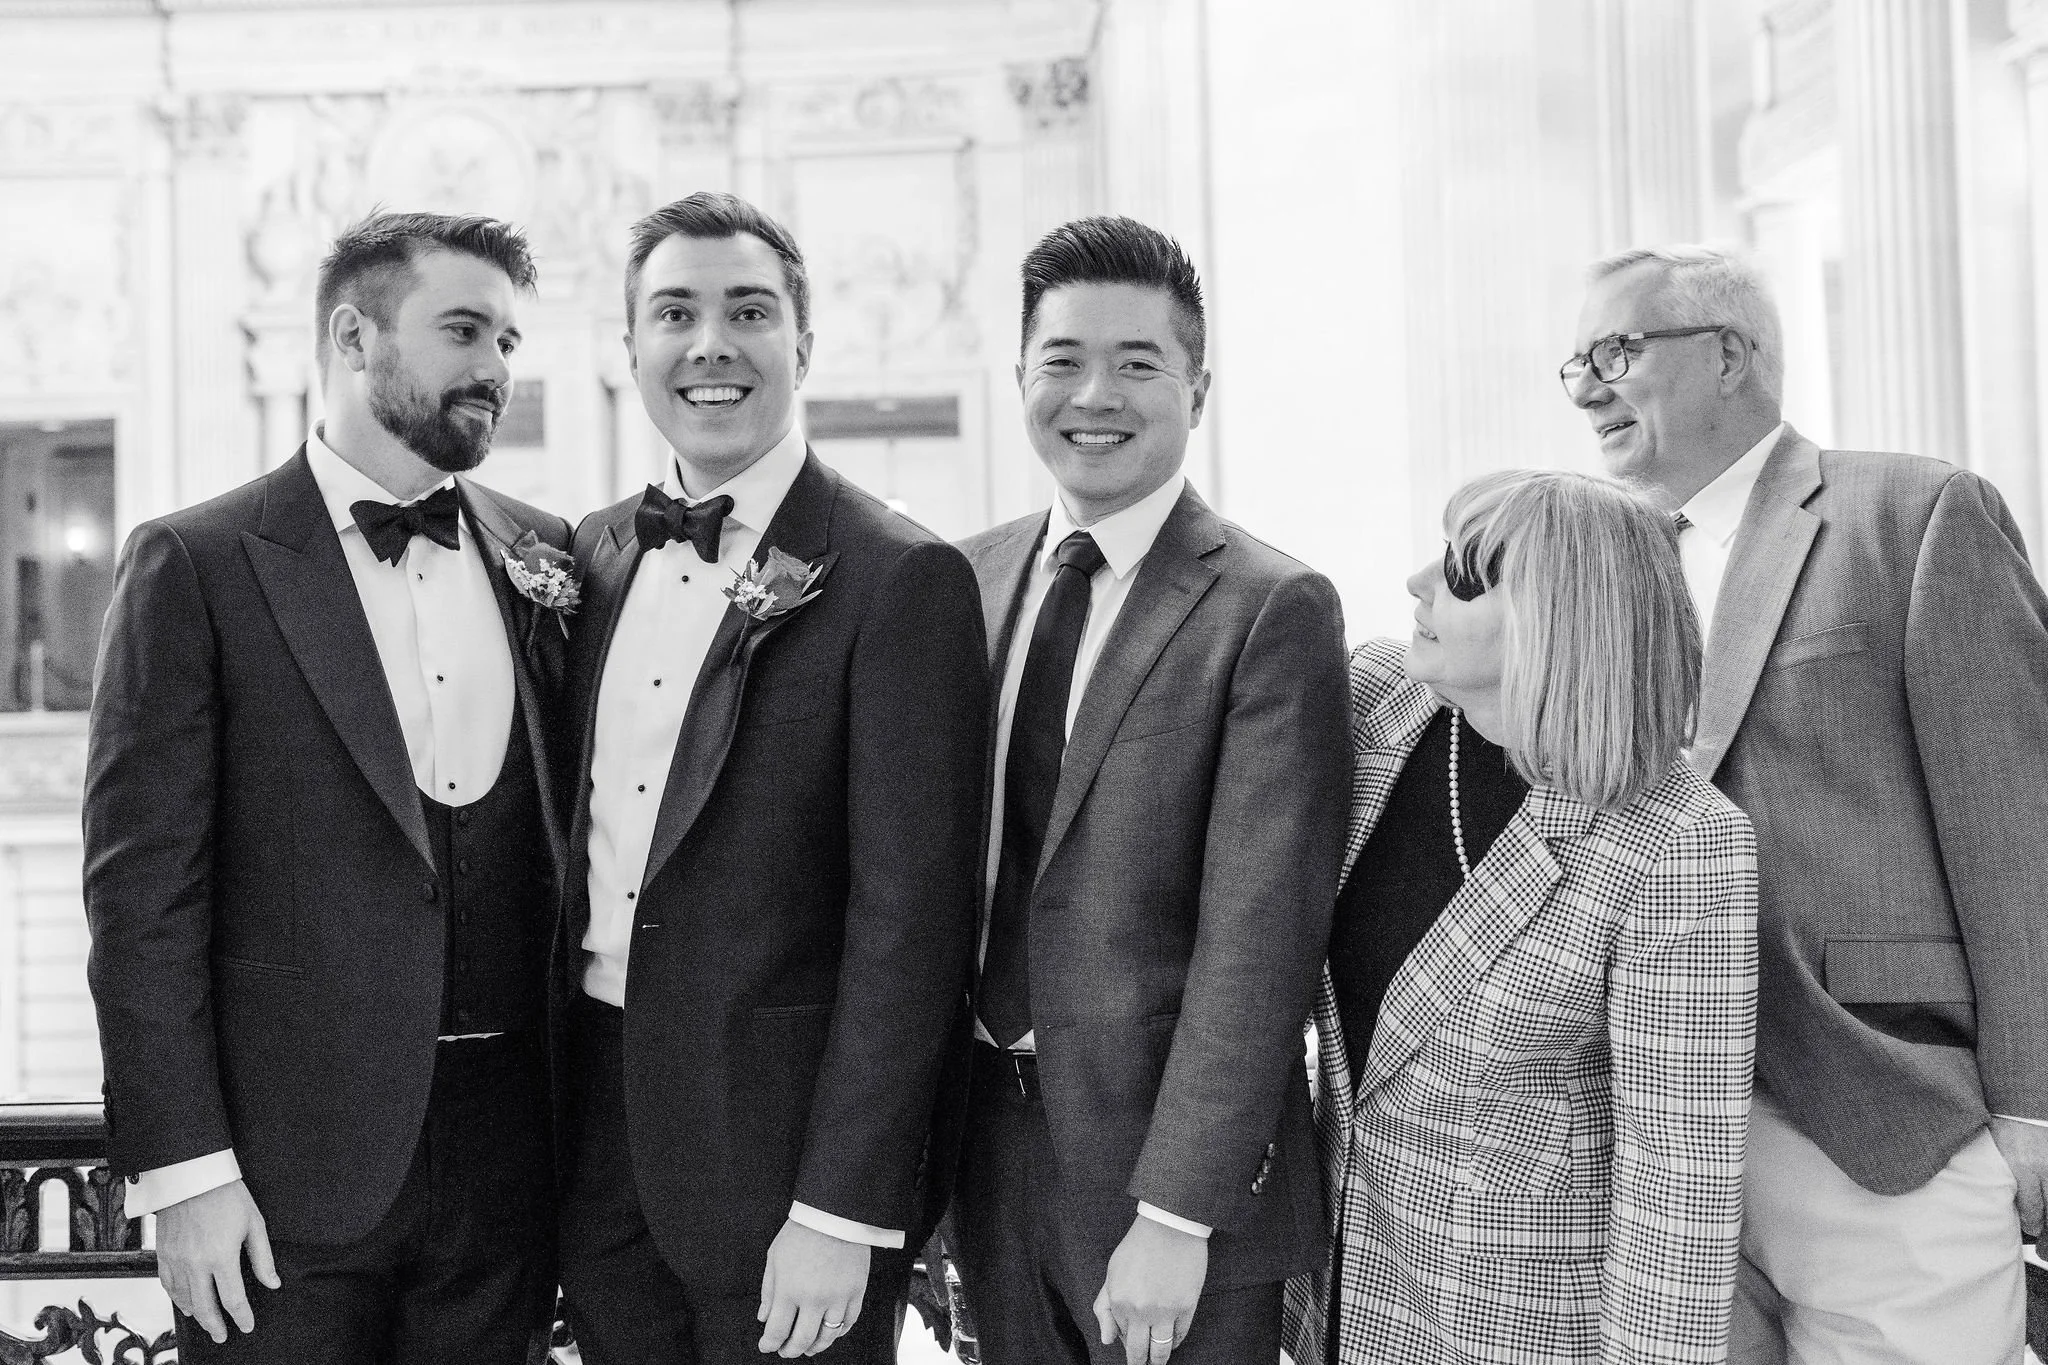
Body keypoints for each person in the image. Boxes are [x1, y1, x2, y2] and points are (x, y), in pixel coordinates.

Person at [82, 211, 566, 1362]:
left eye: (507, 340)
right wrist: (186, 1172)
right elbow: (141, 902)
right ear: (354, 338)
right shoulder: (194, 562)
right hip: (277, 1185)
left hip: (511, 1176)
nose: (495, 368)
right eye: (463, 330)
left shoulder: (542, 551)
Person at [1565, 244, 2048, 1364]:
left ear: (1728, 355)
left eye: (1614, 352)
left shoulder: (1914, 512)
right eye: (1574, 365)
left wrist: (2033, 1107)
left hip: (1888, 1126)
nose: (1586, 389)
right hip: (1658, 1147)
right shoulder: (1599, 567)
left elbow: (2017, 828)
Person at [553, 192, 989, 1364]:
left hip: (786, 1174)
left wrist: (843, 1208)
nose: (710, 344)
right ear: (629, 348)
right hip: (595, 1155)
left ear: (803, 342)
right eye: (674, 314)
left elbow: (912, 924)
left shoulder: (899, 577)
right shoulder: (594, 551)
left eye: (748, 312)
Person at [949, 215, 1349, 1365]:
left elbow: (1260, 940)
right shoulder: (962, 578)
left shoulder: (1269, 607)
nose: (1095, 396)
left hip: (1168, 1182)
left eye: (1137, 364)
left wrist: (1177, 1213)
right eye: (1062, 361)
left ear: (1197, 389)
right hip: (983, 1149)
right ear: (1019, 378)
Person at [1284, 469, 1758, 1365]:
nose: (1419, 582)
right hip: (1332, 1300)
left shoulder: (1682, 841)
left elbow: (1679, 1183)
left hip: (1516, 1323)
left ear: (1561, 619)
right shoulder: (1376, 698)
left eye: (1465, 576)